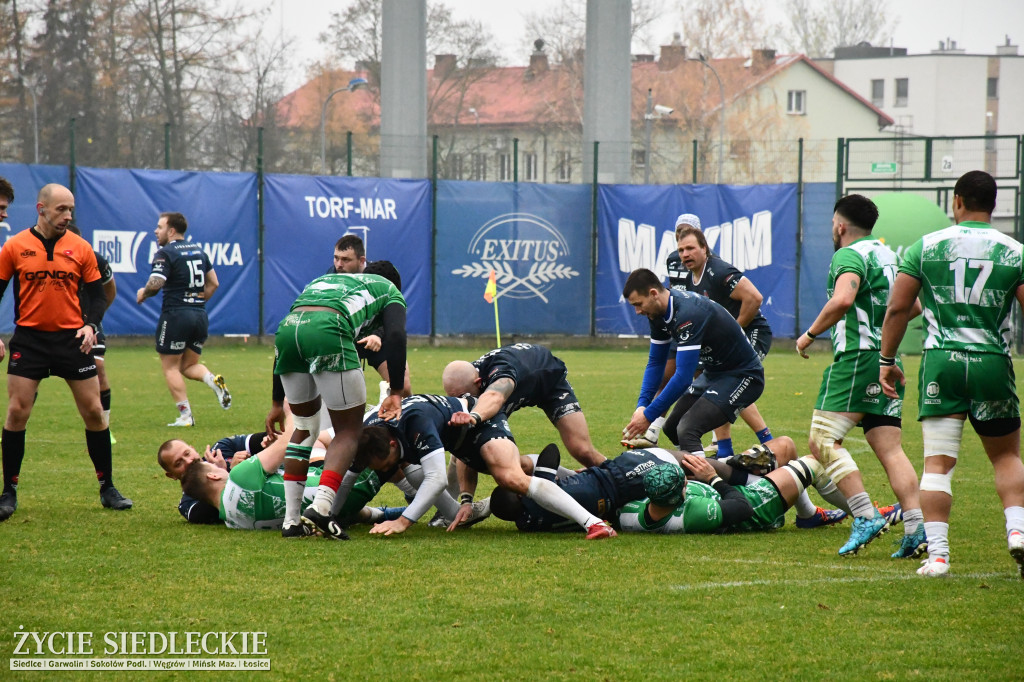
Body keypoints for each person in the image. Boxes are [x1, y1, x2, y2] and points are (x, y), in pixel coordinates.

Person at [880, 170, 1024, 579]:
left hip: (941, 362)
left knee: (937, 464)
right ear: (993, 205)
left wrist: (886, 360)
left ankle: (939, 557)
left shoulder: (926, 247)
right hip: (991, 362)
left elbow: (897, 309)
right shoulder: (1015, 252)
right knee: (1007, 456)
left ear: (957, 201)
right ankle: (1018, 533)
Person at [795, 194, 925, 558]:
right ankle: (916, 528)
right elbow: (912, 306)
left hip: (857, 359)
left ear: (840, 226)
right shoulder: (889, 255)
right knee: (890, 447)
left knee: (821, 439)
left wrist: (808, 335)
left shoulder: (849, 255)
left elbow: (842, 301)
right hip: (888, 359)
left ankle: (865, 515)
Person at [0, 183, 131, 521]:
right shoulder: (15, 246)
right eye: (61, 209)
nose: (67, 215)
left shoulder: (81, 248)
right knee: (17, 412)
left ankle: (108, 488)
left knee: (94, 412)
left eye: (71, 209)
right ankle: (9, 491)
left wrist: (90, 325)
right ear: (41, 208)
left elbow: (98, 295)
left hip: (72, 340)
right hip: (29, 340)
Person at [276, 262, 408, 540]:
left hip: (288, 331)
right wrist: (395, 391)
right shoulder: (389, 290)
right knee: (348, 430)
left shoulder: (324, 282)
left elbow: (292, 328)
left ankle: (291, 521)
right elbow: (396, 335)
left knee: (304, 427)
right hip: (329, 328)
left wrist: (277, 403)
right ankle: (322, 508)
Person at [264, 244, 412, 437]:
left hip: (375, 338)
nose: (339, 264)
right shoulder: (330, 279)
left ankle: (392, 424)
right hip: (340, 336)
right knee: (341, 426)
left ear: (362, 262)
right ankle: (329, 437)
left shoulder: (383, 282)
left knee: (403, 386)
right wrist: (278, 401)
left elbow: (393, 327)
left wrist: (378, 334)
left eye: (346, 259)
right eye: (336, 258)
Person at [620, 268, 764, 460]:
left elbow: (683, 378)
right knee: (672, 428)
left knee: (688, 428)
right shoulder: (657, 313)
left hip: (744, 375)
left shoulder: (688, 313)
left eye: (639, 304)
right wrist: (642, 406)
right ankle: (707, 468)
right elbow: (656, 362)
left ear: (654, 294)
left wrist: (648, 416)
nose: (638, 311)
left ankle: (707, 482)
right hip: (714, 374)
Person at [664, 218, 774, 460]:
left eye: (691, 248)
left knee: (735, 381)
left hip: (752, 332)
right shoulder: (689, 278)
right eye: (681, 249)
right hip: (724, 342)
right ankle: (724, 450)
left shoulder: (718, 271)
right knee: (718, 387)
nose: (685, 254)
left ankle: (769, 443)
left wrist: (733, 330)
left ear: (704, 247)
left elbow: (754, 298)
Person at [136, 211, 231, 427]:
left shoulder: (165, 253)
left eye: (159, 227)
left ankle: (186, 416)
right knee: (188, 366)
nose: (155, 231)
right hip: (199, 315)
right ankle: (213, 381)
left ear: (171, 231)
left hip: (176, 315)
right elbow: (214, 283)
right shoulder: (199, 251)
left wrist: (143, 292)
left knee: (170, 367)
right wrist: (196, 301)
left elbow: (156, 283)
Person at [441, 343, 605, 468]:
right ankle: (450, 511)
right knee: (472, 437)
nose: (465, 401)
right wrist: (466, 499)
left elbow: (495, 396)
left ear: (478, 383)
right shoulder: (466, 376)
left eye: (465, 396)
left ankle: (621, 478)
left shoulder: (500, 376)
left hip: (549, 382)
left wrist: (473, 416)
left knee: (582, 450)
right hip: (521, 383)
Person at [354, 394, 493, 535]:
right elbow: (348, 475)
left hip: (474, 418)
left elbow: (437, 479)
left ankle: (494, 501)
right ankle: (450, 510)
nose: (385, 471)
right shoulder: (364, 439)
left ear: (392, 444)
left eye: (385, 465)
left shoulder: (417, 422)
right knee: (404, 462)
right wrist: (330, 514)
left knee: (506, 479)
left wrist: (403, 521)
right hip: (451, 431)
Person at [616, 448, 825, 534]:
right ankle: (859, 513)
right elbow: (743, 508)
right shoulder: (692, 514)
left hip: (727, 492)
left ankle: (808, 514)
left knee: (785, 446)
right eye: (684, 485)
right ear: (680, 496)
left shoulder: (628, 512)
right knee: (813, 463)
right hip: (754, 502)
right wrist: (712, 478)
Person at [489, 443, 681, 532]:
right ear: (520, 494)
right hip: (617, 480)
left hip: (614, 508)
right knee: (675, 462)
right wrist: (531, 477)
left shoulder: (526, 524)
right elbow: (551, 451)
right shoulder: (539, 495)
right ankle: (709, 471)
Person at [67, 224, 117, 440]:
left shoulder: (95, 259)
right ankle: (16, 424)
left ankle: (105, 427)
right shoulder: (46, 256)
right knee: (30, 376)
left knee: (99, 366)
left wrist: (94, 319)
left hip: (88, 322)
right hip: (55, 324)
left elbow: (109, 290)